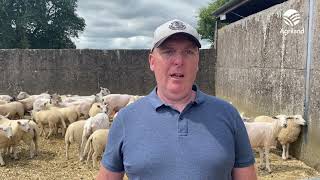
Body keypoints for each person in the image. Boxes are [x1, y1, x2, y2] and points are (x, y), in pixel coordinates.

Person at [96, 19, 257, 180]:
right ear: (152, 61)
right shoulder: (126, 119)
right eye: (168, 51)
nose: (179, 61)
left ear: (198, 61)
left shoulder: (228, 115)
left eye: (188, 52)